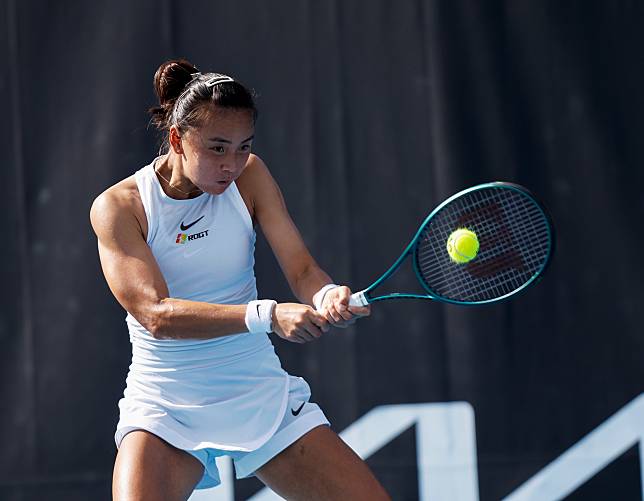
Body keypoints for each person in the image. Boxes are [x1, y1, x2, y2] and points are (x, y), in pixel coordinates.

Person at [90, 58, 390, 500]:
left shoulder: (251, 177)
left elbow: (303, 270)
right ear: (177, 139)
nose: (232, 164)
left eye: (243, 146)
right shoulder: (121, 207)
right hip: (165, 404)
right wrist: (267, 315)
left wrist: (327, 295)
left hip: (256, 390)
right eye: (217, 148)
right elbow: (156, 314)